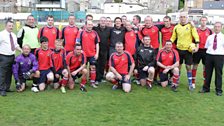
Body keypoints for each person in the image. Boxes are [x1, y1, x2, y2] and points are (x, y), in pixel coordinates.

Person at [170, 12, 199, 91]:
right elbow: (173, 37)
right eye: (181, 17)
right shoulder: (176, 27)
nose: (182, 18)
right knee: (178, 67)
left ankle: (190, 84)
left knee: (188, 66)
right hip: (178, 49)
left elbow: (196, 36)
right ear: (179, 18)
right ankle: (176, 82)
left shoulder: (191, 26)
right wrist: (168, 44)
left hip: (187, 50)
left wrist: (197, 46)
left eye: (184, 17)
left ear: (187, 17)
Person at [199, 22, 224, 96]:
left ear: (221, 27)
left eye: (218, 26)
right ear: (213, 27)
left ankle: (218, 90)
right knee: (208, 73)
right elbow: (207, 46)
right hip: (209, 56)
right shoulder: (210, 37)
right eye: (215, 26)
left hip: (219, 56)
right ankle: (206, 88)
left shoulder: (223, 37)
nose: (217, 28)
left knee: (218, 73)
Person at [0, 19, 23, 96]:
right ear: (5, 26)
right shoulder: (1, 34)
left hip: (12, 56)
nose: (11, 27)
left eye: (12, 26)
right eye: (9, 26)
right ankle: (2, 89)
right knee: (2, 74)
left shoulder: (13, 35)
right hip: (3, 56)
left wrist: (21, 50)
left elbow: (16, 45)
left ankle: (7, 87)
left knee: (9, 73)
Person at [76, 20, 99, 88]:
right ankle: (83, 82)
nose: (90, 26)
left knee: (93, 68)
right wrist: (80, 51)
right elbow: (77, 43)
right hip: (83, 54)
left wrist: (97, 53)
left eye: (91, 24)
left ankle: (92, 82)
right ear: (85, 25)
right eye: (89, 24)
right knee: (83, 69)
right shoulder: (81, 33)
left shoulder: (95, 33)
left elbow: (97, 44)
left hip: (92, 54)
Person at [192, 16, 212, 89]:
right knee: (194, 66)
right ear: (200, 21)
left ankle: (205, 83)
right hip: (197, 50)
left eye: (205, 20)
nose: (203, 22)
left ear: (206, 21)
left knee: (205, 67)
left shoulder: (209, 31)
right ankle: (193, 82)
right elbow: (193, 40)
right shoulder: (196, 30)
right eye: (202, 20)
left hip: (206, 51)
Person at [93, 17, 111, 84]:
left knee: (103, 64)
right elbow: (86, 27)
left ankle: (100, 78)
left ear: (106, 22)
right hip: (96, 49)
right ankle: (96, 79)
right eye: (101, 21)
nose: (103, 22)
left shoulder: (109, 29)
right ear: (99, 21)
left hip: (105, 49)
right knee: (96, 64)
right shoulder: (95, 28)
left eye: (104, 21)